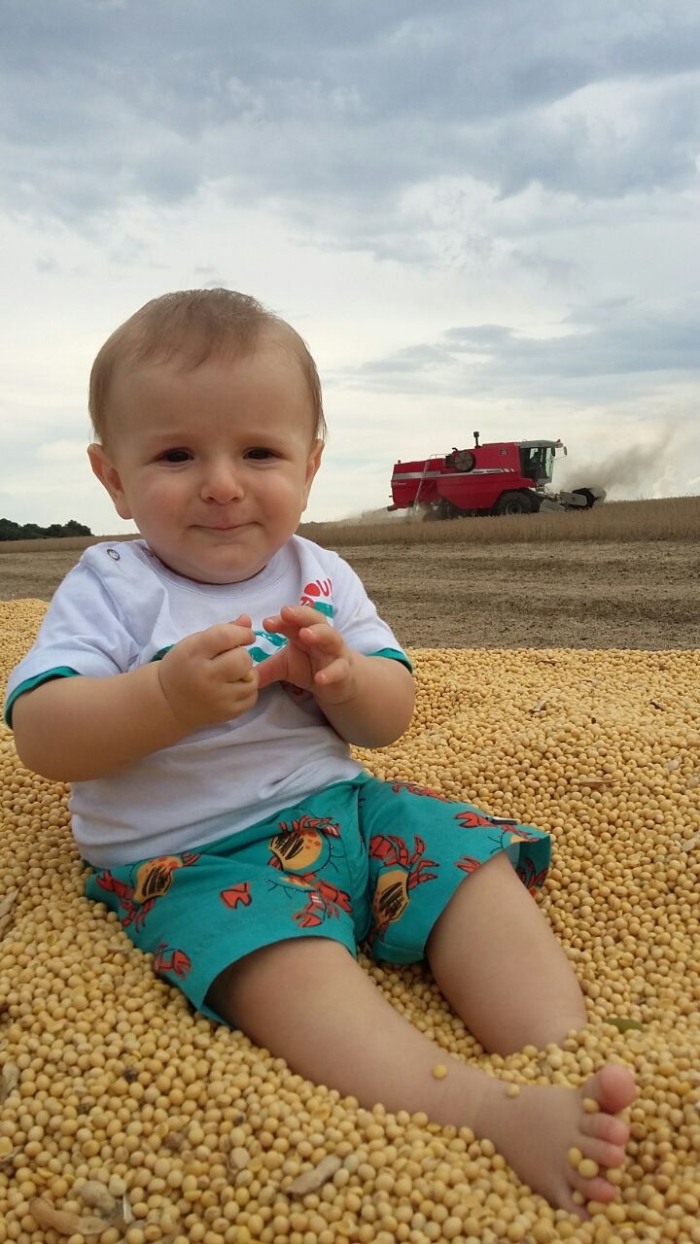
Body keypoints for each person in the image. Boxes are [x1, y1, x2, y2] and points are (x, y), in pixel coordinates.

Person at [5, 289, 635, 1217]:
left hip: (341, 807)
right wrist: (163, 697)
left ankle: (560, 1047)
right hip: (196, 855)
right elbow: (44, 734)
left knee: (463, 861)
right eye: (178, 454)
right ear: (113, 476)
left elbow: (392, 714)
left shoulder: (321, 574)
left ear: (310, 464)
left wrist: (344, 681)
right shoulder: (113, 585)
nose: (222, 482)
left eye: (259, 452)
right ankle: (480, 1109)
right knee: (280, 962)